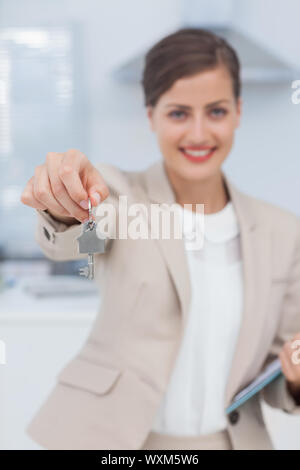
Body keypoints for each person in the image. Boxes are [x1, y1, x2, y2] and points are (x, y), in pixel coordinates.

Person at [21, 28, 300, 450]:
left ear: (239, 112)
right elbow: (83, 245)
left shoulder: (283, 232)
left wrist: (294, 376)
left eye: (217, 111)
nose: (199, 133)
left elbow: (276, 376)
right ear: (150, 115)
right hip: (123, 446)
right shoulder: (118, 197)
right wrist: (67, 207)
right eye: (178, 113)